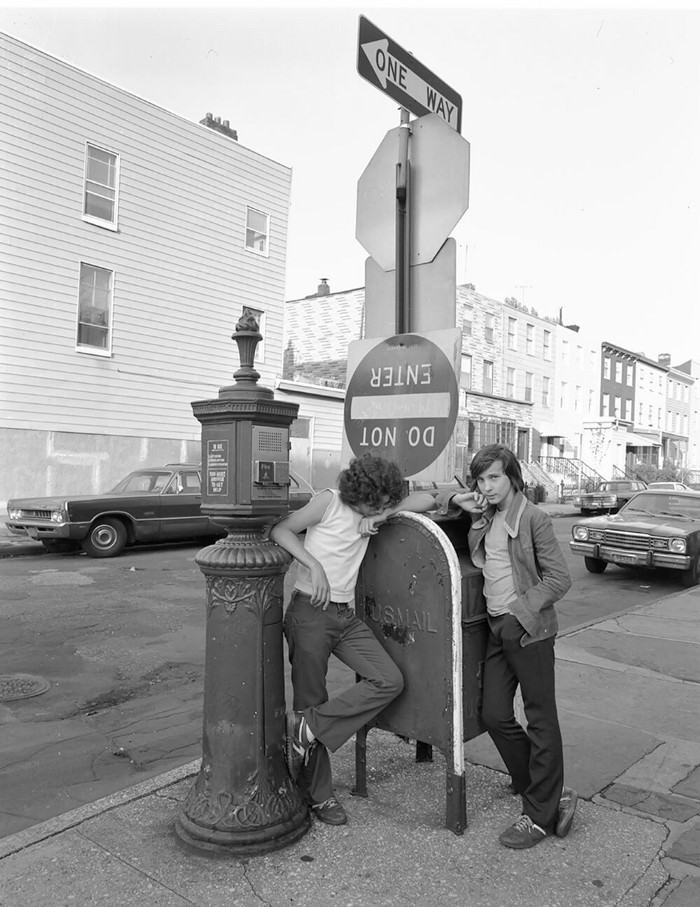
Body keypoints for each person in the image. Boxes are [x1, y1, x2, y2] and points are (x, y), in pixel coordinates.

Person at [270, 454, 436, 826]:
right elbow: (281, 530)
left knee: (388, 679)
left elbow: (427, 500)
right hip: (309, 613)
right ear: (356, 492)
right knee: (312, 699)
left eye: (383, 502)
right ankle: (319, 796)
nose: (377, 508)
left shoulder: (374, 505)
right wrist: (311, 563)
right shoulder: (329, 501)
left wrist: (381, 516)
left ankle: (308, 728)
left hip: (344, 616)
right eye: (372, 503)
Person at [444, 443, 577, 849]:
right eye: (481, 479)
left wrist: (521, 611)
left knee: (540, 718)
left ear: (513, 477)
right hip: (496, 628)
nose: (488, 485)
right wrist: (463, 502)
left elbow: (559, 579)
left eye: (495, 477)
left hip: (528, 629)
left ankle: (538, 815)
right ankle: (545, 790)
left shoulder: (533, 518)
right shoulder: (489, 515)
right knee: (494, 714)